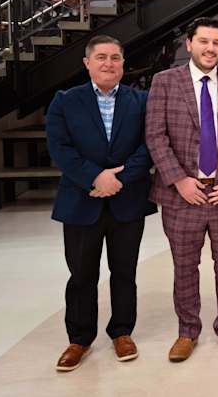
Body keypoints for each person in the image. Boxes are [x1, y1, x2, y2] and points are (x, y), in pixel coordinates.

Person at [146, 17, 218, 362]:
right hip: (182, 196)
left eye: (217, 43)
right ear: (189, 44)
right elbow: (155, 135)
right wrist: (179, 179)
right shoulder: (165, 82)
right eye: (204, 41)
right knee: (184, 266)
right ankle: (187, 331)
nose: (210, 48)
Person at [46, 35, 156, 372]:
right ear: (87, 63)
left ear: (124, 63)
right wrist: (96, 177)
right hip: (82, 201)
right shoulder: (65, 101)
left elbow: (150, 144)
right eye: (102, 58)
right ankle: (79, 339)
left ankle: (122, 331)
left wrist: (118, 179)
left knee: (125, 272)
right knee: (81, 274)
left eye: (116, 58)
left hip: (127, 201)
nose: (109, 64)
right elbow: (60, 149)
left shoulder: (140, 101)